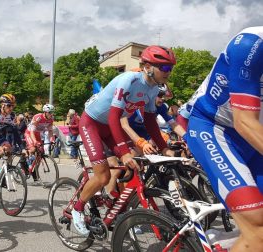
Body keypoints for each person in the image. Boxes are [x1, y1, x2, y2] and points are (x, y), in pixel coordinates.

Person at [72, 45, 176, 236]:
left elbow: (150, 121)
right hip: (92, 124)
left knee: (132, 167)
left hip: (110, 127)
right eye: (165, 67)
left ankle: (114, 203)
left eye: (171, 68)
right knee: (103, 175)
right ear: (147, 66)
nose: (168, 72)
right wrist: (125, 151)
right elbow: (114, 117)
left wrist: (164, 148)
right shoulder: (129, 80)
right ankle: (77, 208)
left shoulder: (153, 89)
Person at [184, 27, 263, 251]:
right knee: (258, 226)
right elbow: (244, 122)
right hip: (215, 129)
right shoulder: (251, 44)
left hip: (252, 136)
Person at [23, 104, 55, 179]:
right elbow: (31, 131)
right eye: (50, 112)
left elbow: (50, 130)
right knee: (33, 149)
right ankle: (23, 162)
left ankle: (34, 169)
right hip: (30, 133)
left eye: (52, 112)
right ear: (45, 112)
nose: (51, 114)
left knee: (41, 152)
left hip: (37, 134)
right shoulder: (38, 117)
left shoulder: (51, 119)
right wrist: (34, 141)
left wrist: (52, 139)